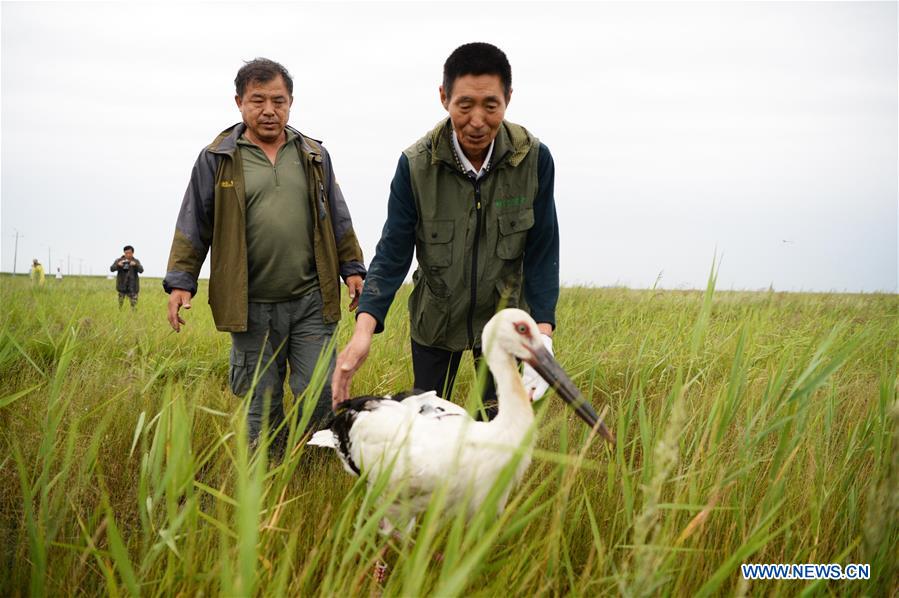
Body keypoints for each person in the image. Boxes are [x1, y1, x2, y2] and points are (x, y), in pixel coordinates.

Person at [332, 42, 560, 415]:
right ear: (444, 98)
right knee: (427, 421)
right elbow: (393, 253)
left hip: (501, 323)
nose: (477, 120)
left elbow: (542, 250)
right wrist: (362, 334)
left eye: (491, 105)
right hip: (435, 321)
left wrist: (543, 335)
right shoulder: (416, 165)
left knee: (498, 421)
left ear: (508, 99)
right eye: (464, 105)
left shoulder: (533, 159)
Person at [163, 58, 366, 448]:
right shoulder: (218, 158)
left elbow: (337, 215)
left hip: (311, 299)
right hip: (250, 304)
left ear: (291, 103)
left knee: (320, 390)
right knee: (262, 397)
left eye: (279, 100)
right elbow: (194, 222)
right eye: (258, 100)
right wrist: (180, 281)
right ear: (239, 102)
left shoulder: (313, 156)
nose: (269, 110)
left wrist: (352, 267)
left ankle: (319, 465)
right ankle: (268, 473)